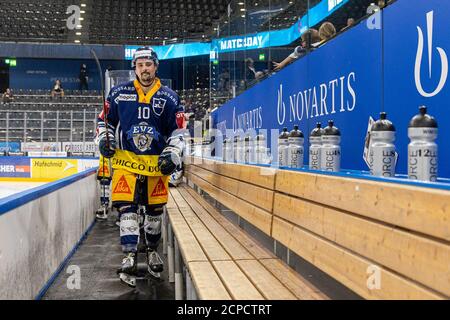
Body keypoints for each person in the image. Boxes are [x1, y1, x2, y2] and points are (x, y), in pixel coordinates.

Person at [96, 46, 185, 287]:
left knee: (155, 216)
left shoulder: (170, 97)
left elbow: (178, 131)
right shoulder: (118, 94)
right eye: (140, 65)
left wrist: (173, 152)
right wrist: (104, 140)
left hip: (156, 167)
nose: (144, 69)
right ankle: (129, 256)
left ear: (156, 66)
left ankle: (152, 250)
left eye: (148, 64)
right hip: (126, 164)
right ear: (135, 67)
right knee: (128, 211)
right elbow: (103, 121)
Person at [95, 155, 113, 220]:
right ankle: (104, 208)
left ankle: (104, 209)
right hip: (103, 173)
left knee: (104, 191)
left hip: (106, 174)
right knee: (104, 191)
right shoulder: (102, 152)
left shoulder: (109, 152)